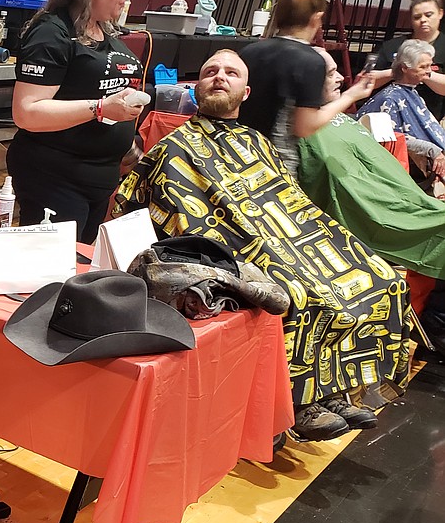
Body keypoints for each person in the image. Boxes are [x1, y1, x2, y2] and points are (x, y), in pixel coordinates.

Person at [115, 50, 410, 442]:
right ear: (197, 87)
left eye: (231, 73)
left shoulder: (257, 141)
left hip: (285, 239)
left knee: (380, 277)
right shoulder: (174, 148)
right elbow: (137, 208)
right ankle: (297, 404)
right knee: (304, 294)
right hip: (228, 252)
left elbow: (289, 202)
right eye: (210, 71)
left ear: (246, 90)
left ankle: (335, 388)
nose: (219, 77)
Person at [297, 46, 445, 351]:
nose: (340, 76)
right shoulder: (307, 134)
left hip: (404, 201)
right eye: (330, 72)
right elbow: (342, 193)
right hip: (377, 216)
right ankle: (437, 320)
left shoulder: (343, 121)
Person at [8, 0, 145, 243]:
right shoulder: (52, 32)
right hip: (55, 177)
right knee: (51, 277)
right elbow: (27, 112)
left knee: (80, 274)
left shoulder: (103, 29)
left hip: (99, 178)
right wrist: (100, 108)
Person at [239, 0, 374, 177]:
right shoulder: (310, 61)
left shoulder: (249, 51)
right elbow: (304, 126)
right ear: (317, 18)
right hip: (275, 162)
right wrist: (351, 96)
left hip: (236, 150)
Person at [355, 39, 445, 190]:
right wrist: (432, 150)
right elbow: (392, 140)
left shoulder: (412, 92)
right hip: (412, 167)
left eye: (430, 65)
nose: (429, 71)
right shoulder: (389, 99)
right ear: (404, 68)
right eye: (423, 67)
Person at [371, 0, 445, 120]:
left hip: (427, 120)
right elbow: (368, 80)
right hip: (387, 115)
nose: (423, 20)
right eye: (417, 17)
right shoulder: (391, 46)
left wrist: (422, 72)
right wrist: (397, 72)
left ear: (440, 13)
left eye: (428, 15)